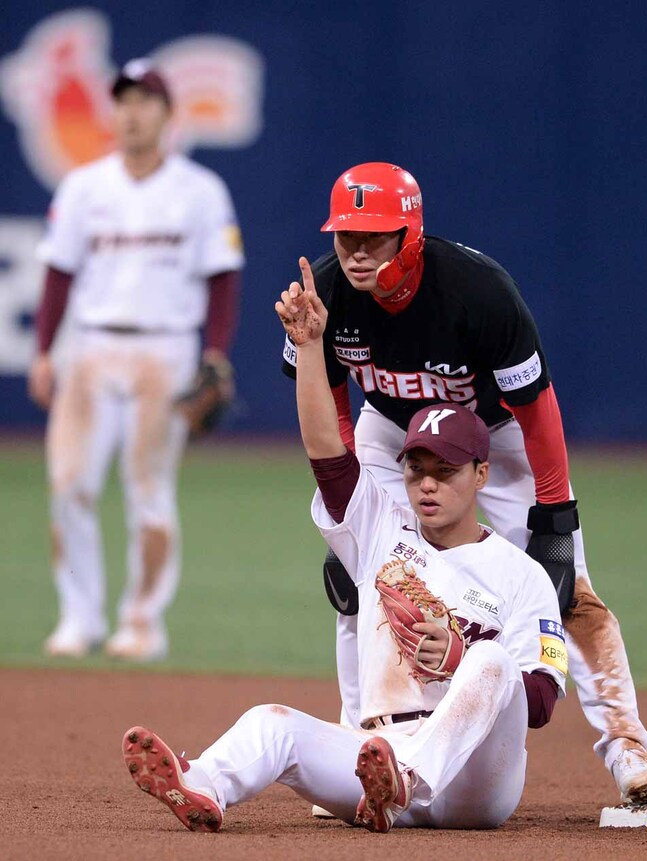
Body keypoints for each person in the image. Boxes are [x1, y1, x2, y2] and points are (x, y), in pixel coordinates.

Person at [121, 271, 566, 833]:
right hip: (374, 760)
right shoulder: (381, 528)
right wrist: (310, 349)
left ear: (482, 474)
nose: (427, 484)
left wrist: (460, 658)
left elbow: (544, 699)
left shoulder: (521, 574)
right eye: (416, 468)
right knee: (272, 723)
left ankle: (410, 776)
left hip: (476, 780)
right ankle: (202, 786)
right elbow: (326, 453)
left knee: (492, 660)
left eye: (445, 471)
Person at [281, 162, 647, 804]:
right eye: (347, 235)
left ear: (411, 233)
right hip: (390, 433)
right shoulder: (323, 292)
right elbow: (332, 402)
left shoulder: (478, 292)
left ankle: (627, 750)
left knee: (570, 592)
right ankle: (360, 747)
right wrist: (352, 517)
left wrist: (556, 514)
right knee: (364, 585)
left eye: (374, 236)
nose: (355, 251)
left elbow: (537, 408)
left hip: (498, 434)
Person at [28, 59, 244, 660]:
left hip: (165, 348)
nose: (131, 111)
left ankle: (142, 623)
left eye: (145, 100)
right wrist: (44, 350)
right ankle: (79, 618)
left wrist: (215, 353)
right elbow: (58, 272)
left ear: (168, 113)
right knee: (69, 483)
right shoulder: (84, 186)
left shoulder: (200, 191)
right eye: (122, 100)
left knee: (148, 488)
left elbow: (223, 279)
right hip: (91, 346)